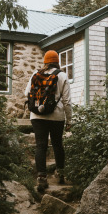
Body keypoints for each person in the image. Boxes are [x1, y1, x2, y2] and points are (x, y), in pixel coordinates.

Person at [25, 50, 72, 192]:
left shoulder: (35, 74)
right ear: (57, 61)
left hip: (37, 116)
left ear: (45, 61)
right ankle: (60, 174)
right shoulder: (62, 76)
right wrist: (69, 120)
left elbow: (26, 93)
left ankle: (42, 178)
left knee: (41, 145)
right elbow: (67, 101)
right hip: (56, 116)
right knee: (57, 144)